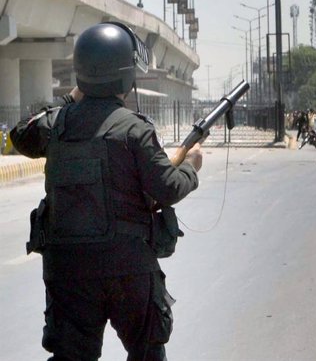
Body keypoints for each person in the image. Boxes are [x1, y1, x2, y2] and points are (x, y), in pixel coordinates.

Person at [10, 22, 202, 361]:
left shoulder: (57, 124)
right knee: (147, 353)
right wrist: (191, 166)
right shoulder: (133, 128)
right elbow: (167, 188)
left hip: (70, 272)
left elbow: (20, 135)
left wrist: (73, 96)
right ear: (126, 75)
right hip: (127, 268)